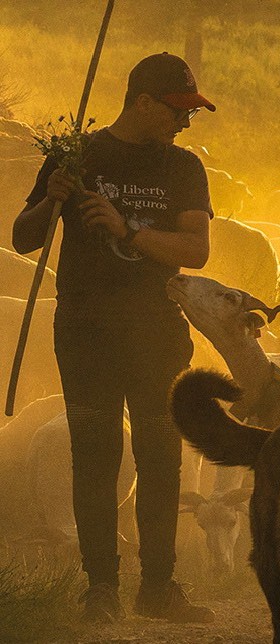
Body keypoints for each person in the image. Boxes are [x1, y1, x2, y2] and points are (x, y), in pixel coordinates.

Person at [11, 52, 217, 624]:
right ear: (143, 102)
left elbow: (195, 252)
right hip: (85, 332)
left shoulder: (184, 169)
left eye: (190, 111)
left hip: (158, 333)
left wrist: (128, 229)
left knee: (160, 455)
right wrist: (52, 198)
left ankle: (158, 587)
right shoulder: (78, 157)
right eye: (178, 109)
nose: (186, 121)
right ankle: (99, 587)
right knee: (94, 458)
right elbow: (24, 237)